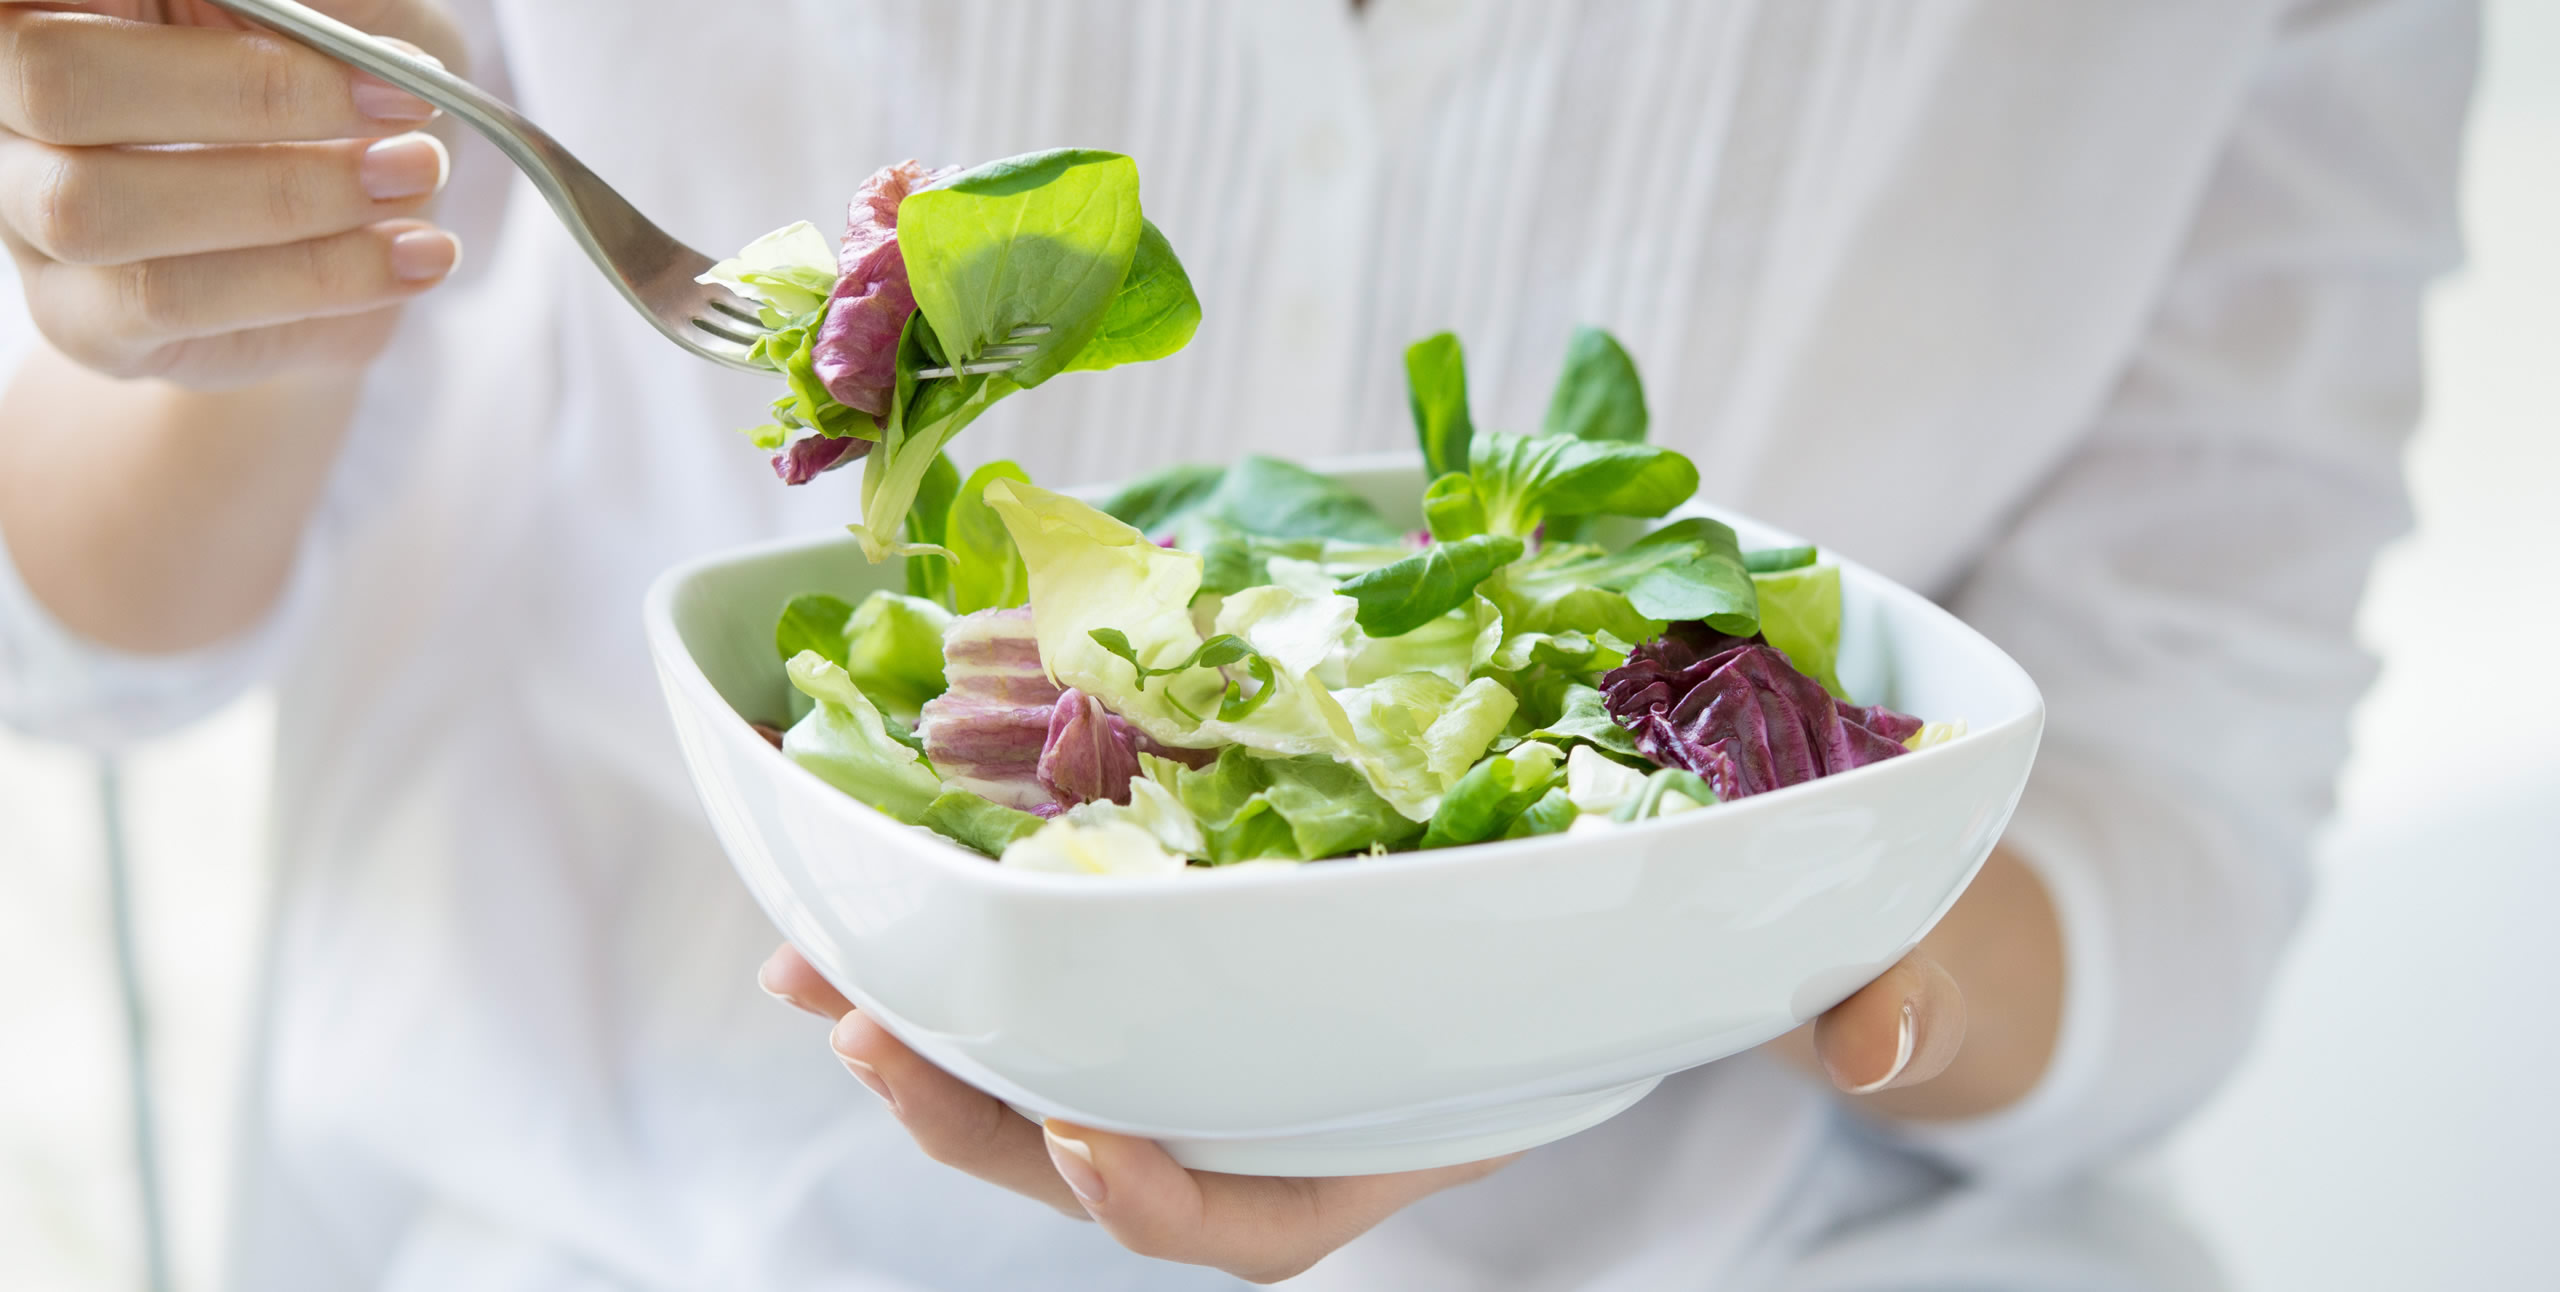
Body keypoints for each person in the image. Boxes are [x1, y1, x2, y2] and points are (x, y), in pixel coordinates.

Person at [0, 1, 2473, 1287]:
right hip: (649, 1204)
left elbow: (2177, 809)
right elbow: (96, 645)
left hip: (1759, 1242)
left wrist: (1782, 930)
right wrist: (244, 284)